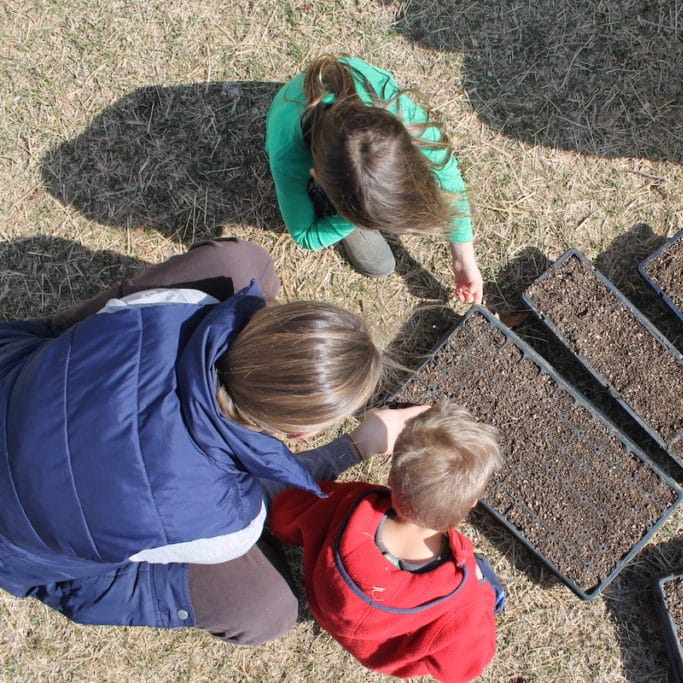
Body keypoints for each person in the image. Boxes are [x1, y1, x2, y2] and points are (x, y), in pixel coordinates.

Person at [0, 237, 423, 645]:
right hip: (18, 546)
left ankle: (59, 336)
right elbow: (258, 497)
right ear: (300, 435)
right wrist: (356, 446)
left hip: (18, 385)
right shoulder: (229, 524)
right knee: (267, 609)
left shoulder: (177, 309)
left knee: (240, 266)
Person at [270, 400, 505, 683]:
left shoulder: (348, 504)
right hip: (381, 653)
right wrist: (475, 583)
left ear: (391, 477)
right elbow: (465, 667)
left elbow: (285, 514)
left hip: (328, 606)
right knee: (486, 584)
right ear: (470, 505)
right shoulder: (460, 602)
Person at [265, 55, 484, 304]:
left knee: (381, 260)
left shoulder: (396, 112)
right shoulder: (288, 156)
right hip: (289, 118)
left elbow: (448, 178)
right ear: (316, 177)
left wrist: (463, 259)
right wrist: (354, 219)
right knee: (380, 264)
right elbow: (306, 235)